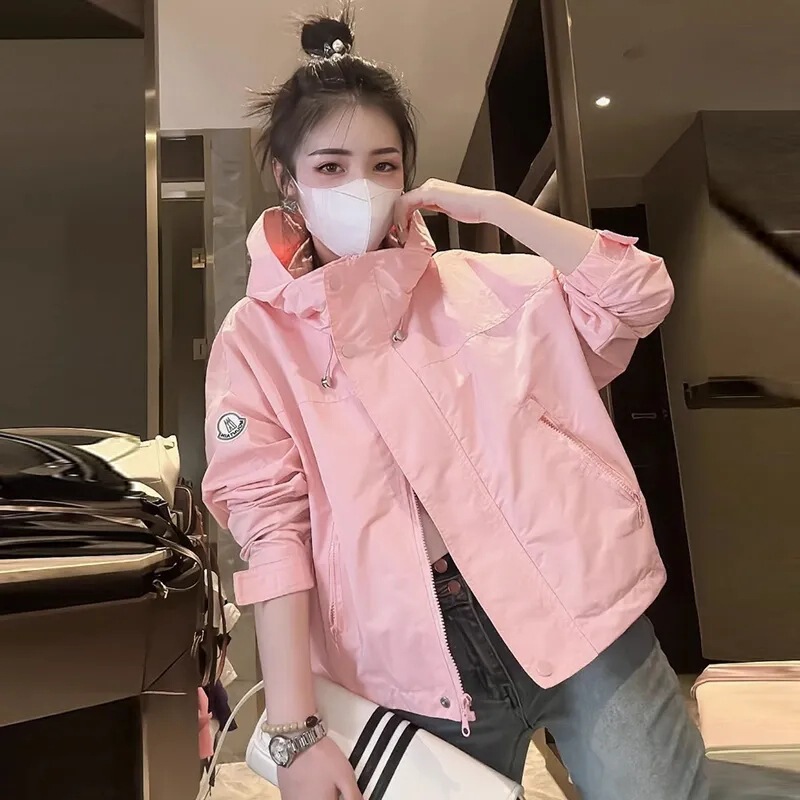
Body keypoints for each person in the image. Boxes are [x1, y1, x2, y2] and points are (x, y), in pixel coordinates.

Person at [203, 10, 708, 800]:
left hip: (575, 602)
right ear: (287, 179)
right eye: (330, 166)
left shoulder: (488, 284)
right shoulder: (255, 339)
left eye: (383, 164)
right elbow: (271, 529)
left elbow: (638, 295)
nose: (360, 187)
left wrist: (498, 209)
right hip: (410, 653)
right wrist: (294, 728)